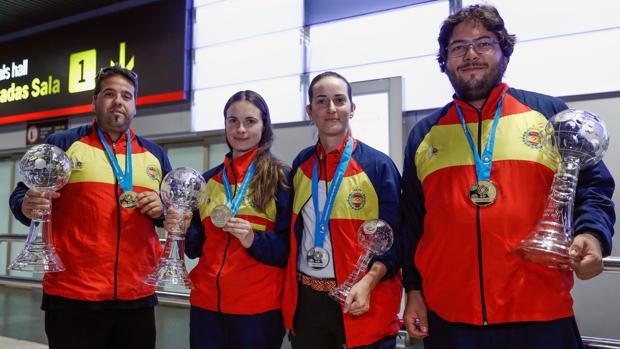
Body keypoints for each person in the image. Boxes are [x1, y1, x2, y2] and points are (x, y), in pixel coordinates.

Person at [401, 5, 615, 349]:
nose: (470, 54)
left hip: (540, 312)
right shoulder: (424, 134)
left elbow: (593, 186)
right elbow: (412, 222)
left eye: (484, 43)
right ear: (445, 60)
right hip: (450, 320)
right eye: (458, 47)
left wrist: (593, 233)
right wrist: (413, 290)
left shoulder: (549, 115)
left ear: (504, 51)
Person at [9, 65, 172, 349]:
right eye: (109, 94)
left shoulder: (155, 155)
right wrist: (27, 205)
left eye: (126, 95)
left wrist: (163, 211)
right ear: (94, 101)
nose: (118, 101)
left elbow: (173, 214)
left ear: (135, 106)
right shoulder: (63, 144)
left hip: (137, 296)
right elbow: (21, 195)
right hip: (72, 297)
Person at [282, 71, 402, 349]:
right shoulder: (301, 165)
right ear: (310, 111)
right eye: (322, 101)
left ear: (352, 108)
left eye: (339, 100)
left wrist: (370, 282)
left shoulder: (378, 166)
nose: (331, 109)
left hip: (361, 300)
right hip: (308, 303)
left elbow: (397, 238)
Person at [178, 90, 290, 349]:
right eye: (232, 120)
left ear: (264, 125)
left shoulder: (280, 178)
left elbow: (288, 249)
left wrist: (254, 240)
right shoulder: (208, 180)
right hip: (206, 306)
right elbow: (196, 248)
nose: (240, 129)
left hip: (257, 311)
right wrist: (183, 230)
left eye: (250, 121)